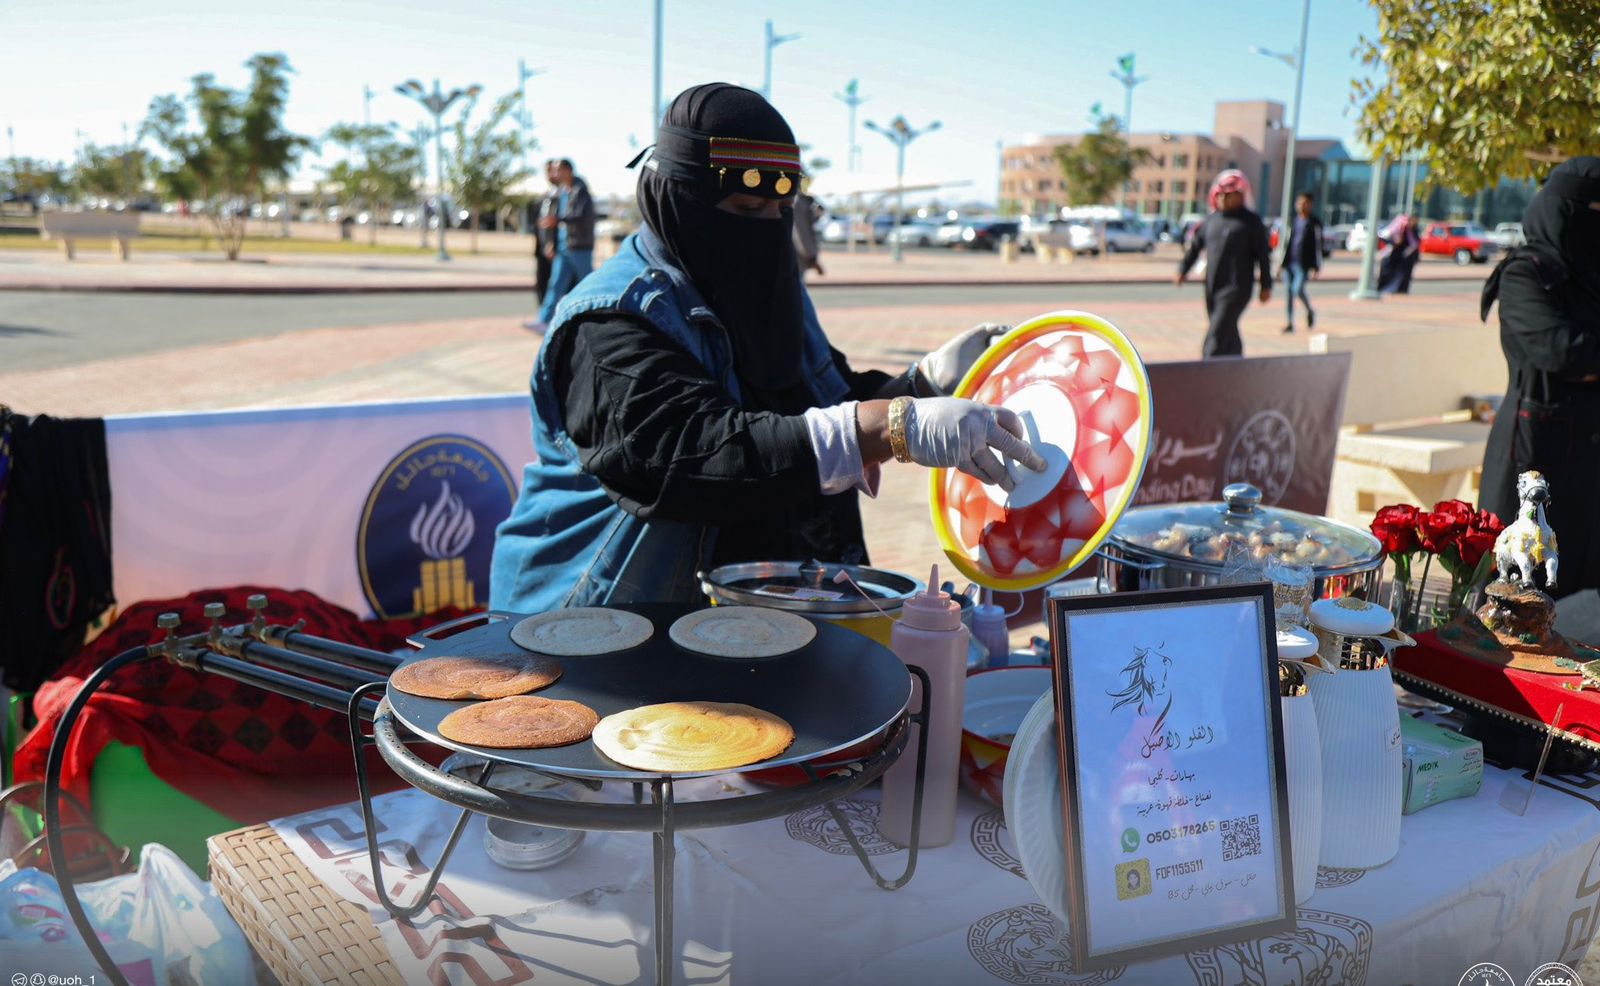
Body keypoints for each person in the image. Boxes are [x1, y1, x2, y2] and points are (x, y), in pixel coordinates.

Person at [490, 84, 1043, 613]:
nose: (767, 232)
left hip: (753, 612)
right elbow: (695, 454)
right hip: (596, 630)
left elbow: (817, 402)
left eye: (780, 212)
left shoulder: (768, 291)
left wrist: (924, 385)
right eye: (747, 209)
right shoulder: (610, 320)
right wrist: (893, 426)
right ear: (682, 199)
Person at [1479, 156, 1600, 596]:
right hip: (1535, 459)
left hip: (1590, 470)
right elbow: (1564, 351)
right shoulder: (1526, 273)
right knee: (1520, 600)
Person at [1175, 170, 1272, 358]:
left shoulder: (1251, 222)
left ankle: (1207, 366)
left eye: (1228, 195)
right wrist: (1182, 270)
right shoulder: (1211, 221)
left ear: (1240, 195)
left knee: (1216, 334)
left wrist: (1266, 285)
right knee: (1226, 328)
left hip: (1237, 289)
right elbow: (1195, 248)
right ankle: (1235, 361)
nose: (1223, 199)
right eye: (1220, 195)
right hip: (1213, 287)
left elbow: (1263, 256)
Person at [531, 159, 596, 331]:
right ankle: (544, 320)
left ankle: (595, 318)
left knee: (587, 284)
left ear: (568, 170)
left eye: (558, 170)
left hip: (579, 247)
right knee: (555, 284)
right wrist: (551, 243)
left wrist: (558, 220)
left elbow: (582, 216)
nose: (555, 174)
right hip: (563, 247)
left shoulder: (581, 191)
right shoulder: (561, 192)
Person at [1280, 192, 1324, 333]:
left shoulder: (1315, 223)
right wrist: (1280, 264)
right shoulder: (1293, 221)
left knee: (1297, 289)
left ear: (1310, 205)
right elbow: (1285, 244)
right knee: (1288, 292)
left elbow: (1318, 246)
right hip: (1289, 263)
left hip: (1303, 264)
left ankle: (1310, 310)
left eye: (1304, 203)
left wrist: (1317, 266)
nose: (1301, 206)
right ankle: (1289, 322)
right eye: (1299, 203)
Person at [1377, 214, 1422, 294]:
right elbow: (1387, 237)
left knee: (1400, 278)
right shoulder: (1401, 229)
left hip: (1404, 259)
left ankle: (1397, 291)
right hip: (1393, 257)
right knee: (1388, 275)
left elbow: (1414, 244)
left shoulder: (1411, 231)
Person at [792, 188, 825, 277]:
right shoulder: (799, 201)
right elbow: (801, 233)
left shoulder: (806, 200)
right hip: (797, 258)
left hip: (799, 258)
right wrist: (811, 257)